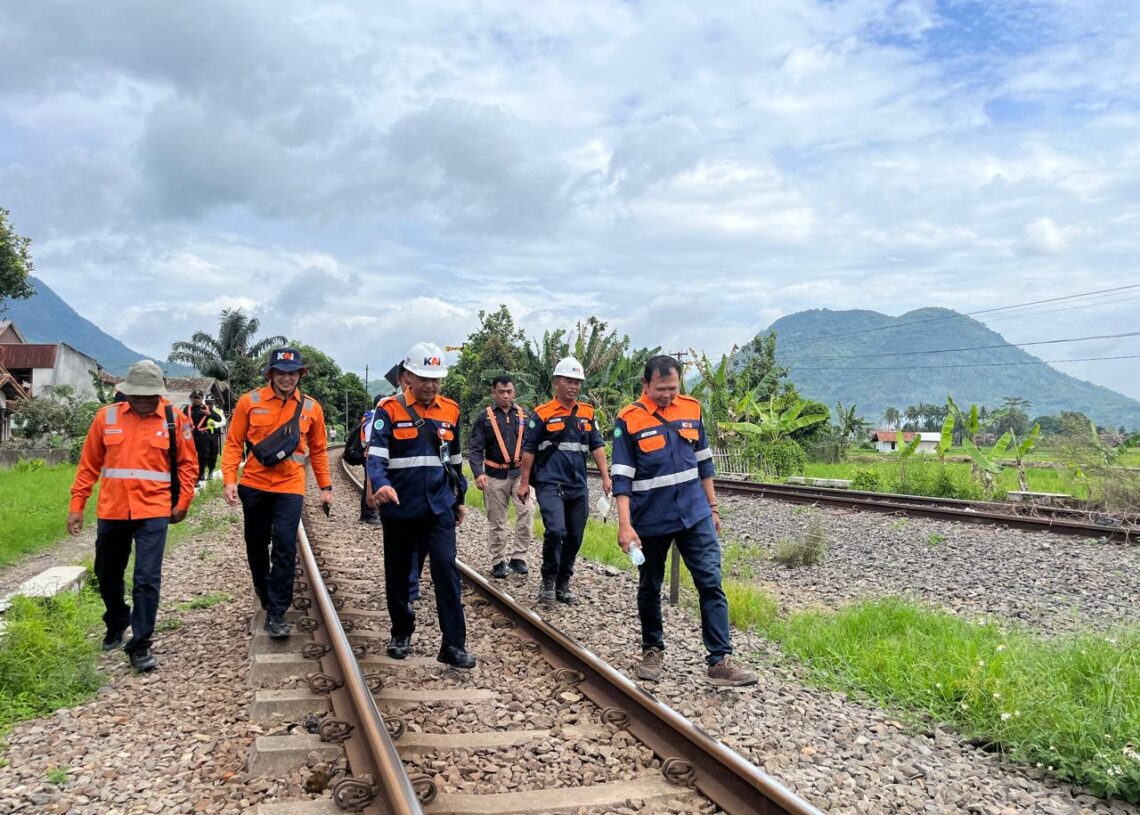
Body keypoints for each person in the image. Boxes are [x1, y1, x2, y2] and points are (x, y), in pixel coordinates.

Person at [611, 355, 758, 687]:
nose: (667, 395)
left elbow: (704, 463)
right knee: (650, 585)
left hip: (695, 514)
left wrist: (714, 507)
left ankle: (720, 660)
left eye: (673, 388)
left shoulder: (691, 408)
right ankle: (652, 649)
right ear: (645, 385)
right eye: (660, 389)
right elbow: (622, 477)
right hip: (650, 519)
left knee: (710, 582)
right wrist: (624, 524)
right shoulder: (628, 420)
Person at [66, 360, 199, 672]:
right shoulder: (106, 418)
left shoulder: (174, 419)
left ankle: (140, 644)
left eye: (149, 395)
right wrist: (77, 505)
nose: (143, 400)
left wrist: (183, 502)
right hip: (112, 510)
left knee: (147, 578)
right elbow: (88, 465)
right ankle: (116, 620)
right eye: (137, 395)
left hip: (154, 509)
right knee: (107, 572)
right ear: (126, 393)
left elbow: (188, 465)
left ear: (159, 394)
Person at [365, 342, 475, 669]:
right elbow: (376, 457)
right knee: (398, 573)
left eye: (436, 379)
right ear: (407, 377)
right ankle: (401, 631)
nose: (431, 385)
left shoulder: (450, 411)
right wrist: (381, 484)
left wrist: (458, 500)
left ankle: (453, 645)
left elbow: (454, 462)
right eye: (424, 378)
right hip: (400, 507)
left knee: (446, 570)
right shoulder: (389, 410)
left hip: (438, 508)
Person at [222, 347, 333, 638]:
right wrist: (229, 479)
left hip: (290, 487)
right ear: (271, 374)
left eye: (293, 372)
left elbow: (319, 450)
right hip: (254, 485)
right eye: (281, 373)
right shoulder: (250, 402)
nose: (287, 378)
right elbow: (234, 443)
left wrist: (325, 487)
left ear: (300, 375)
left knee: (285, 546)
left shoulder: (312, 408)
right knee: (256, 543)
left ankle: (276, 611)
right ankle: (263, 587)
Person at [516, 357, 611, 606]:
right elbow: (529, 448)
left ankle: (563, 582)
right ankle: (548, 580)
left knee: (575, 536)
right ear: (556, 382)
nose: (574, 386)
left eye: (577, 382)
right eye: (569, 381)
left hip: (578, 485)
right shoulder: (542, 413)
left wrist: (605, 476)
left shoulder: (587, 413)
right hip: (550, 484)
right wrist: (524, 482)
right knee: (556, 530)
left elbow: (597, 446)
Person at [469, 375, 534, 578]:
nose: (505, 396)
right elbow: (475, 449)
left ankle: (518, 557)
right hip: (495, 476)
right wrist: (478, 473)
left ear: (514, 392)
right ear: (494, 393)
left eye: (509, 392)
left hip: (520, 476)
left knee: (527, 511)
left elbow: (533, 446)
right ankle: (498, 561)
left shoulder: (524, 416)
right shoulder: (484, 418)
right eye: (501, 392)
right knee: (497, 520)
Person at [184, 389, 223, 488]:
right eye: (194, 397)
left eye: (198, 398)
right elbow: (181, 420)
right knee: (189, 459)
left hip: (203, 437)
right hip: (190, 437)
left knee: (202, 459)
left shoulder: (206, 408)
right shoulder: (187, 409)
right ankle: (190, 478)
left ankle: (197, 478)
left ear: (202, 399)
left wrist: (209, 413)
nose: (196, 400)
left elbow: (219, 419)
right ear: (191, 398)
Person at [358, 394, 385, 526]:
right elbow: (370, 440)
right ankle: (369, 514)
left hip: (370, 454)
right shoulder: (373, 418)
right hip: (371, 455)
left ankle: (365, 514)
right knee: (371, 484)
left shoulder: (369, 416)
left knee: (369, 483)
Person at [204, 394, 226, 481]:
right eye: (207, 403)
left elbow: (223, 421)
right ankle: (202, 472)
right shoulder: (203, 410)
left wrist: (216, 424)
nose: (209, 404)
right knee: (204, 454)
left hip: (214, 434)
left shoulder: (218, 410)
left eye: (210, 403)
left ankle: (211, 470)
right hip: (204, 434)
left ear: (213, 402)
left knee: (213, 453)